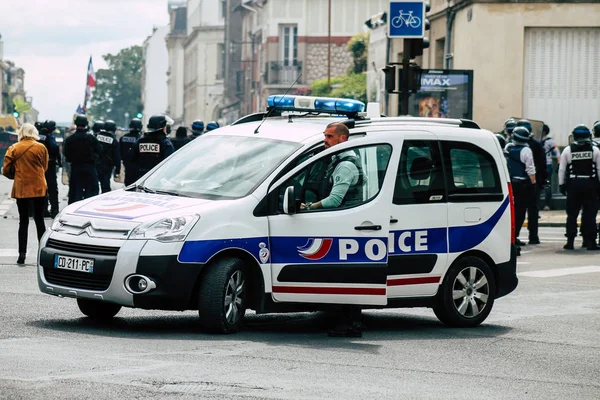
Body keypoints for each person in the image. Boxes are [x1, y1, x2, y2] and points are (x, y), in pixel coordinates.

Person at [300, 122, 364, 337]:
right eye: (325, 135)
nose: (325, 140)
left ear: (342, 139)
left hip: (344, 223)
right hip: (342, 222)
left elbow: (335, 200)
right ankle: (346, 321)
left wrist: (309, 207)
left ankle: (348, 324)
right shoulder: (337, 159)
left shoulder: (345, 164)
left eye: (329, 136)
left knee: (341, 276)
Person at [1, 123, 48, 264]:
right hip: (39, 187)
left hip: (22, 188)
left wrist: (16, 176)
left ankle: (22, 254)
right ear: (34, 132)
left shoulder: (14, 148)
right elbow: (44, 167)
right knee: (39, 220)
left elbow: (6, 170)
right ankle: (42, 252)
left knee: (23, 221)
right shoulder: (41, 147)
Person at [558, 124, 600, 250]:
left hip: (573, 184)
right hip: (590, 184)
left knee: (572, 214)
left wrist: (561, 185)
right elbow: (599, 169)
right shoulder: (595, 150)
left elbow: (561, 169)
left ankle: (570, 241)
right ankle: (590, 241)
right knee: (589, 214)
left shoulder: (567, 150)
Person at [505, 127, 536, 254]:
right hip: (523, 184)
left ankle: (512, 236)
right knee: (520, 212)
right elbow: (530, 168)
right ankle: (515, 235)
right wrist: (533, 183)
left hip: (511, 183)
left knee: (512, 211)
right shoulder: (526, 150)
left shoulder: (508, 148)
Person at [515, 119, 546, 245]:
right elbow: (541, 166)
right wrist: (540, 181)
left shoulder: (511, 147)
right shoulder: (536, 146)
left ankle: (515, 235)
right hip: (532, 183)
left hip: (517, 183)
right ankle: (533, 236)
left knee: (519, 210)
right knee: (533, 211)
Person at [63, 114, 101, 203]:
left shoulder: (70, 139)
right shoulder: (91, 138)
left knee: (75, 191)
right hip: (90, 167)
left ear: (76, 124)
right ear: (86, 124)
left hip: (76, 167)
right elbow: (99, 150)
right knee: (91, 191)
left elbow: (66, 153)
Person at [38, 120, 62, 218]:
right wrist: (59, 162)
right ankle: (54, 210)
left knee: (41, 189)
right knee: (52, 189)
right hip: (49, 165)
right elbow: (55, 148)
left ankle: (42, 210)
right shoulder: (49, 137)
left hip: (38, 166)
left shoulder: (37, 136)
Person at [95, 119, 121, 193]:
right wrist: (117, 170)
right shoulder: (114, 141)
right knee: (105, 188)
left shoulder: (96, 136)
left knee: (93, 187)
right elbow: (117, 157)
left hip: (95, 165)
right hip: (107, 167)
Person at [540, 124, 560, 211]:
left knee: (547, 185)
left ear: (543, 131)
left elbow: (557, 152)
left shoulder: (550, 141)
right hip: (538, 165)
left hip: (547, 164)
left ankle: (547, 204)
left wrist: (559, 163)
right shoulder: (535, 140)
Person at [120, 118, 142, 185]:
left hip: (127, 165)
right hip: (139, 166)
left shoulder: (123, 138)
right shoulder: (141, 139)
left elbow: (120, 152)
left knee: (128, 184)